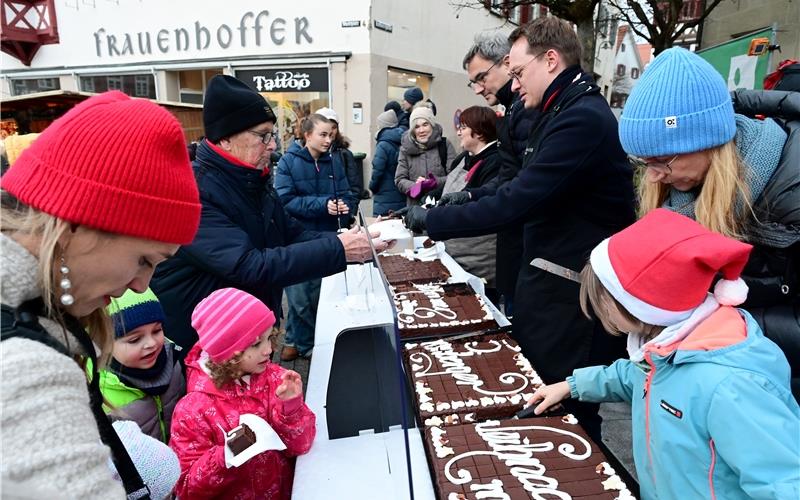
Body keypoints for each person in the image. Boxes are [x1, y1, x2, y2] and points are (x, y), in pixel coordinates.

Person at [400, 17, 635, 440]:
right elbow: (515, 186)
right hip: (551, 285)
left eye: (518, 71)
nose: (514, 81)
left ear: (550, 60)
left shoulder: (580, 119)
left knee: (567, 417)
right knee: (547, 402)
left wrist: (435, 219)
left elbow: (520, 199)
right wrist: (467, 198)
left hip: (571, 295)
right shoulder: (554, 111)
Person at [0, 91, 201, 498]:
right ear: (79, 222)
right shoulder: (27, 367)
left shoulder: (31, 320)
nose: (142, 285)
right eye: (145, 259)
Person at [527, 208, 800, 500]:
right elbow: (638, 375)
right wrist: (573, 385)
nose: (599, 312)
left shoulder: (730, 385)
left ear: (638, 304)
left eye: (603, 302)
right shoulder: (667, 346)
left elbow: (783, 482)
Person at [151, 75, 388, 358]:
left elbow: (291, 234)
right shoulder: (193, 191)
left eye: (272, 135)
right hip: (206, 350)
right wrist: (339, 250)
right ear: (225, 138)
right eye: (263, 136)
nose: (273, 145)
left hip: (248, 338)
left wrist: (348, 240)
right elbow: (248, 266)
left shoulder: (253, 179)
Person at [619, 47, 800, 400]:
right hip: (719, 383)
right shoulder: (686, 189)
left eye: (662, 161)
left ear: (709, 143)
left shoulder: (790, 196)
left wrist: (716, 327)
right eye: (643, 162)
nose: (654, 178)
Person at [170, 288, 315, 500]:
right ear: (227, 351)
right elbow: (186, 489)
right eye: (256, 344)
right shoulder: (193, 410)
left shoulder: (274, 378)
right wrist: (226, 455)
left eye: (269, 338)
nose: (268, 350)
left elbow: (301, 445)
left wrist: (291, 408)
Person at [443, 30, 541, 317]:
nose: (477, 88)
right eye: (472, 82)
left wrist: (443, 219)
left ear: (507, 63)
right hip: (516, 254)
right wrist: (469, 195)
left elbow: (517, 191)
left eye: (481, 78)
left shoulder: (525, 110)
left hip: (526, 255)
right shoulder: (514, 111)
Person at [275, 114, 357, 361]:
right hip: (297, 237)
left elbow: (346, 193)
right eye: (322, 134)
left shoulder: (334, 161)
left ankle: (305, 343)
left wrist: (345, 206)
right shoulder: (288, 162)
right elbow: (284, 201)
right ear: (307, 135)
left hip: (328, 235)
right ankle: (302, 343)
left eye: (330, 134)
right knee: (300, 298)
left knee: (321, 295)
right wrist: (323, 205)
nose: (328, 139)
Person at [100, 288, 185, 443]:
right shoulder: (99, 392)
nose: (151, 343)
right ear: (105, 343)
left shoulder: (173, 362)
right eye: (134, 339)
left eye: (157, 330)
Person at [440, 106, 501, 302]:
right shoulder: (464, 157)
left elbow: (484, 208)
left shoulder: (495, 162)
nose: (458, 131)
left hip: (479, 259)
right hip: (454, 250)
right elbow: (448, 189)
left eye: (463, 127)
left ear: (480, 131)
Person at [394, 105, 457, 207]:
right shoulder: (405, 149)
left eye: (425, 124)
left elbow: (456, 176)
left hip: (442, 207)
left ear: (432, 125)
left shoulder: (445, 145)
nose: (421, 130)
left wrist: (436, 182)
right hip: (415, 209)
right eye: (417, 127)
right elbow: (400, 179)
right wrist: (415, 187)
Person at [315, 106, 365, 201]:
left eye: (334, 127)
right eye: (326, 127)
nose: (331, 131)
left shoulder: (344, 154)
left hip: (340, 210)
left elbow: (354, 187)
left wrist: (350, 209)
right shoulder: (309, 154)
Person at [369, 109, 406, 216]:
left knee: (382, 227)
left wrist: (372, 187)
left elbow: (377, 170)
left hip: (384, 195)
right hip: (401, 193)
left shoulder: (383, 144)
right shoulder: (403, 140)